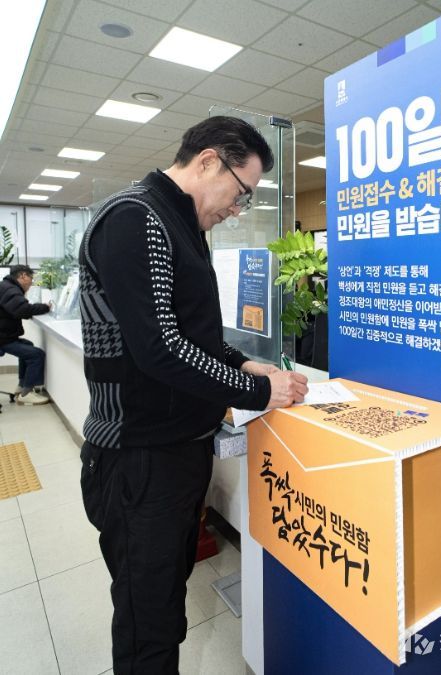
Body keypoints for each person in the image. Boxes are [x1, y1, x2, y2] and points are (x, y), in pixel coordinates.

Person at [78, 116, 308, 674]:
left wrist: (242, 361)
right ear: (208, 161)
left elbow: (193, 337)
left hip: (178, 452)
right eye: (241, 192)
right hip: (139, 458)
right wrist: (259, 389)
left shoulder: (181, 225)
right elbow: (159, 349)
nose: (238, 209)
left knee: (165, 603)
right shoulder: (135, 218)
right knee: (149, 625)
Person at [0, 264, 51, 405]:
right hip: (3, 339)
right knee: (37, 354)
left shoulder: (6, 286)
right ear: (23, 276)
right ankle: (26, 394)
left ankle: (22, 386)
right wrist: (45, 307)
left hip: (5, 336)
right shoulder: (10, 289)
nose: (31, 283)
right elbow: (22, 310)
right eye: (31, 279)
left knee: (28, 346)